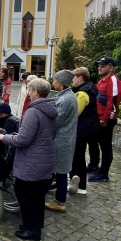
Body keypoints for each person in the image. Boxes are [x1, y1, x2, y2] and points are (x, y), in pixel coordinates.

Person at [0, 78, 57, 241]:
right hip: (45, 158)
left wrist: (4, 137)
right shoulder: (50, 109)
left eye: (29, 89)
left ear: (35, 91)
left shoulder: (33, 112)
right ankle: (36, 224)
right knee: (37, 195)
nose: (27, 92)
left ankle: (32, 229)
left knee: (22, 192)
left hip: (32, 161)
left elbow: (23, 140)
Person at [45, 70, 78, 213]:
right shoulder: (66, 96)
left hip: (61, 140)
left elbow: (56, 121)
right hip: (64, 139)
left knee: (60, 171)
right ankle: (58, 199)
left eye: (56, 80)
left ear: (62, 82)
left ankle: (60, 202)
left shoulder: (66, 100)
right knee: (59, 171)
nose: (53, 82)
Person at [89, 57, 121, 183]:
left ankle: (103, 173)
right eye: (99, 65)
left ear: (111, 67)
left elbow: (113, 102)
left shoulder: (113, 81)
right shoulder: (102, 80)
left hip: (106, 120)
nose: (99, 67)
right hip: (98, 118)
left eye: (103, 66)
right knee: (92, 141)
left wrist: (106, 119)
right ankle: (93, 165)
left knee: (105, 147)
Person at [69, 67, 100, 195]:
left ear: (80, 78)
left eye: (74, 77)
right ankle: (78, 183)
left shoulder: (82, 93)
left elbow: (74, 113)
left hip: (82, 129)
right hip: (87, 127)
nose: (72, 80)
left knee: (77, 157)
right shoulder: (89, 89)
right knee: (79, 156)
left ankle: (80, 185)